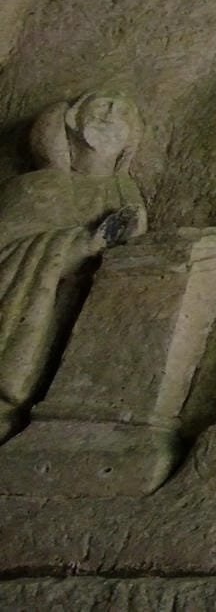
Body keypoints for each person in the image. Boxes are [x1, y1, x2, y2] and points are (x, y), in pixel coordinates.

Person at [0, 92, 145, 436]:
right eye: (102, 105)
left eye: (122, 111)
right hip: (29, 303)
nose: (111, 114)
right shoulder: (37, 187)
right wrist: (80, 244)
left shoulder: (126, 195)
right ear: (70, 122)